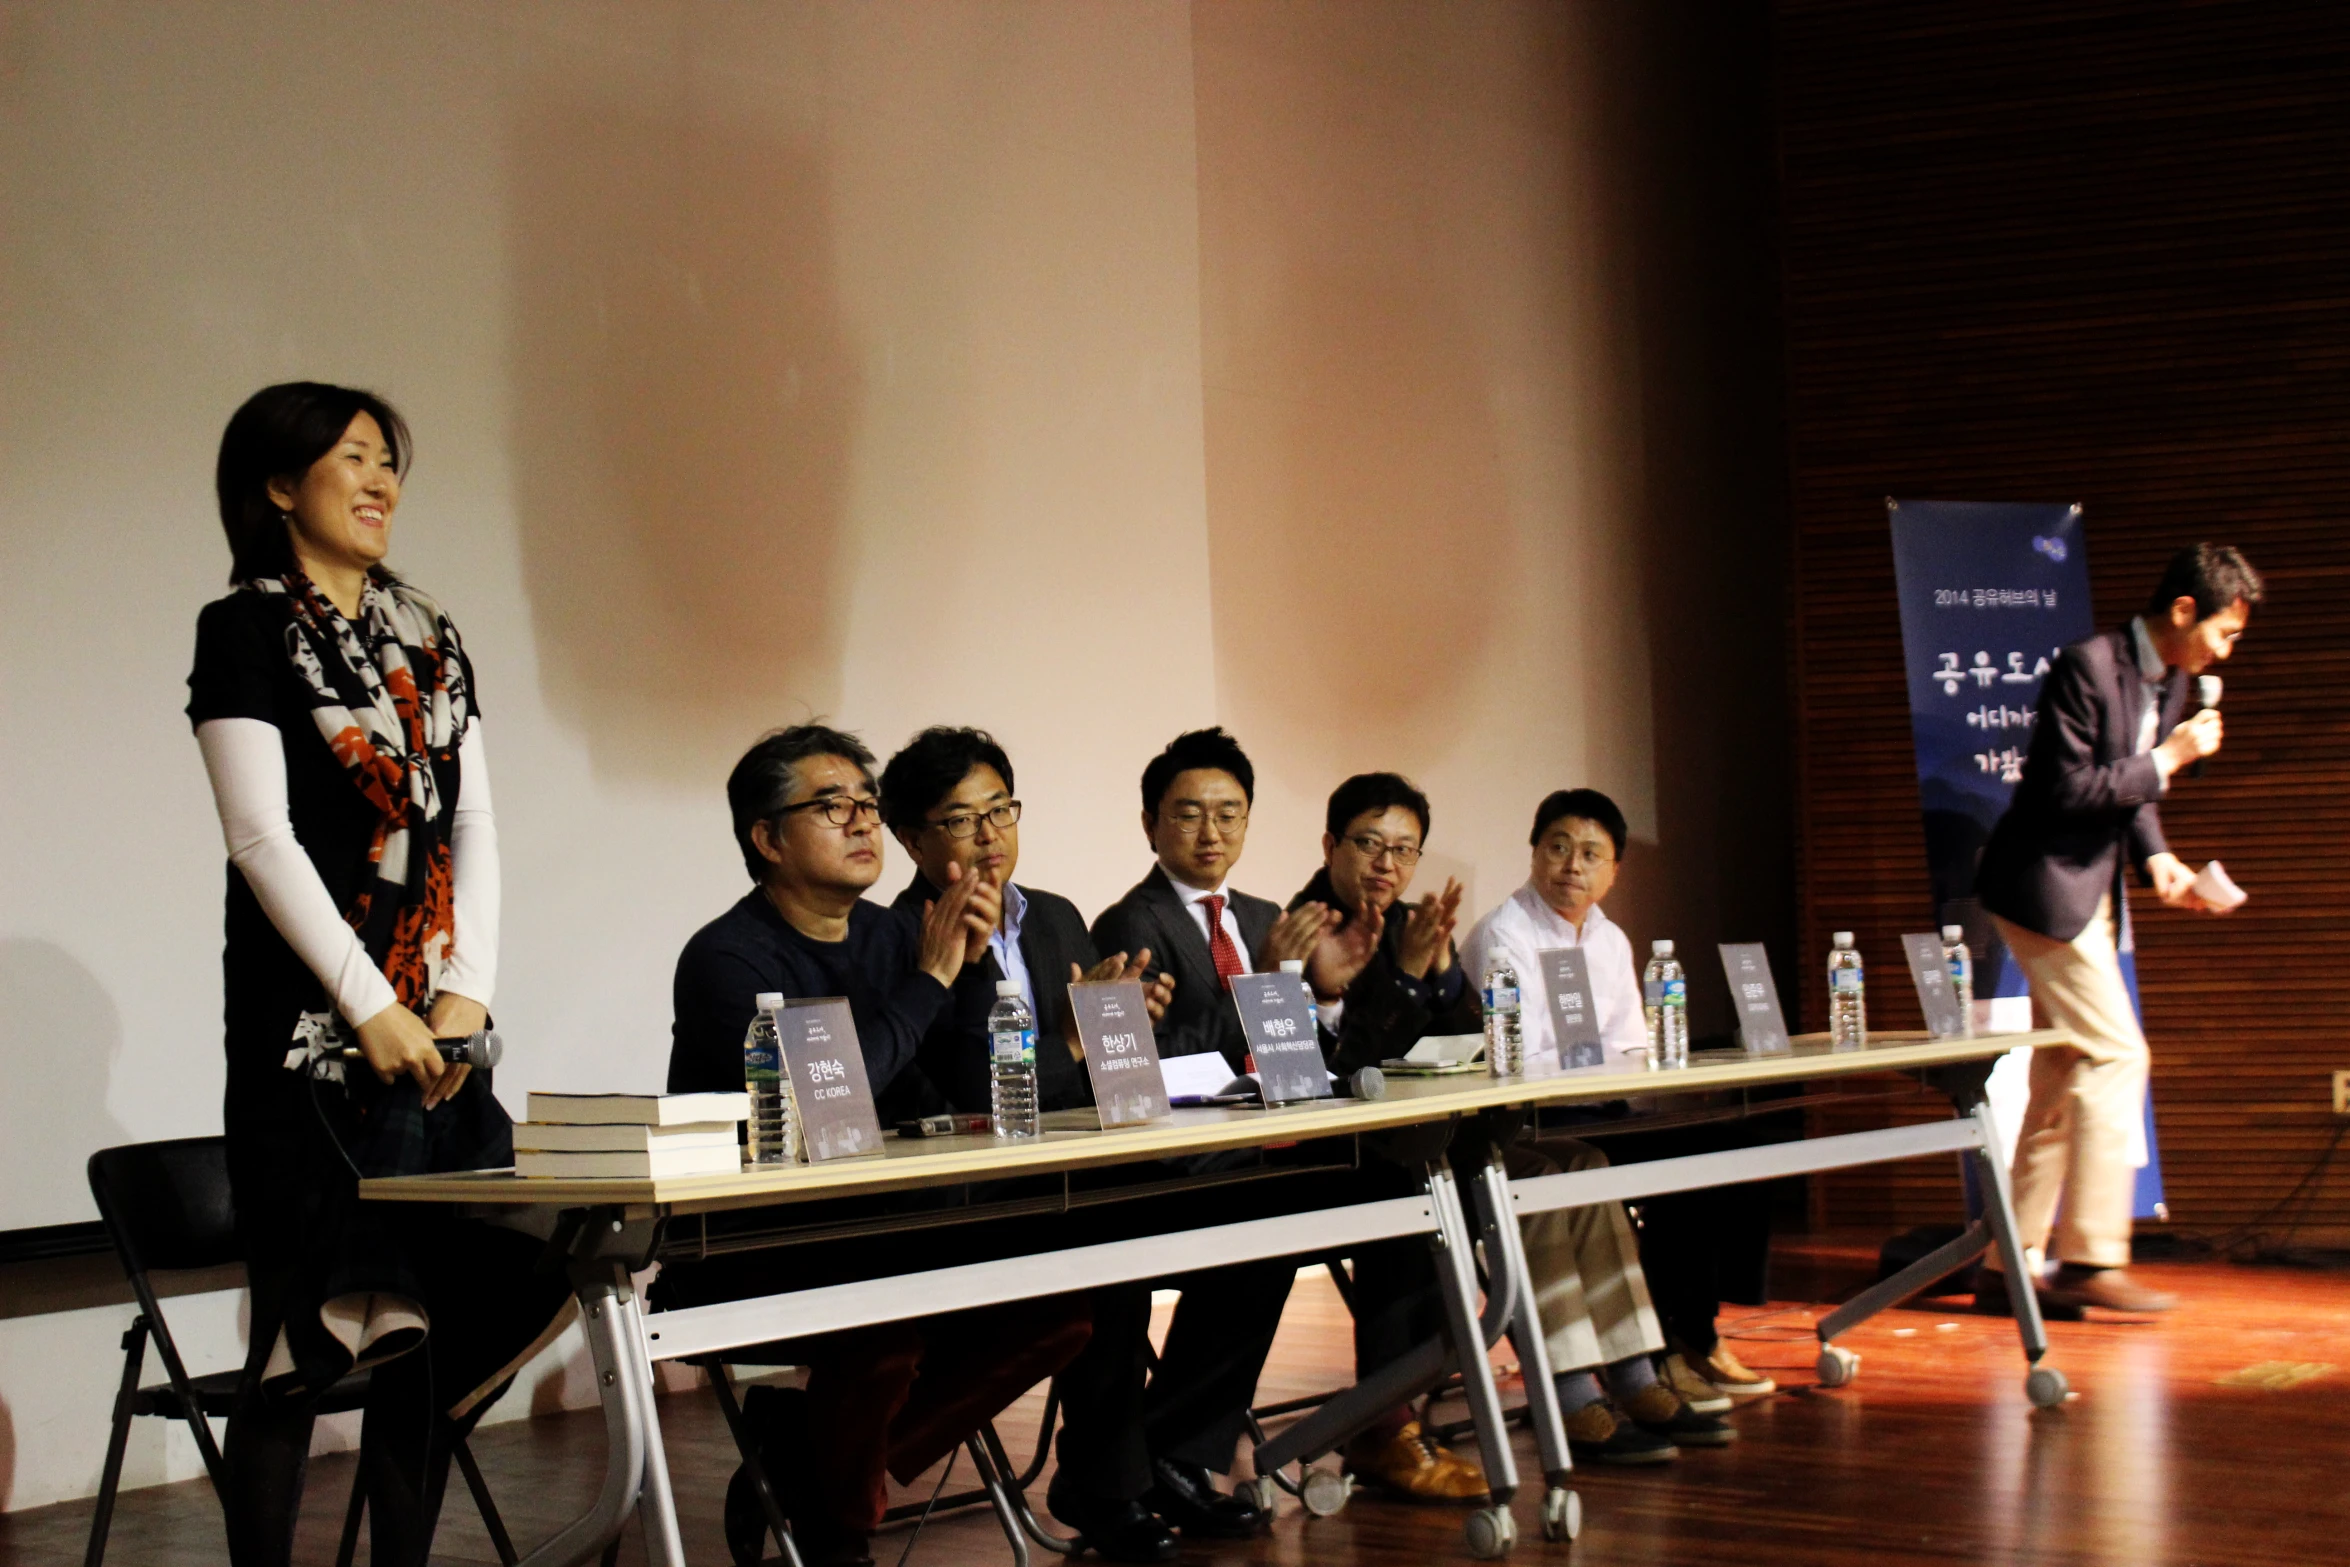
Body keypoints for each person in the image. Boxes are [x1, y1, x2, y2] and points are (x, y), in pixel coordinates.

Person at [190, 383, 572, 1567]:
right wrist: (372, 1003)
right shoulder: (245, 626)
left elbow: (477, 824)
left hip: (435, 1034)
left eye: (387, 463)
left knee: (450, 1311)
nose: (379, 483)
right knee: (307, 1337)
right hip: (308, 1037)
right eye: (350, 459)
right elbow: (261, 839)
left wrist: (464, 990)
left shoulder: (430, 632)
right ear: (276, 485)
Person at [666, 726, 1091, 1567]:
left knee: (1061, 1307)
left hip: (888, 1224)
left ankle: (798, 1458)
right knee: (883, 1336)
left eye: (867, 802)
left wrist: (967, 968)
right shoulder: (727, 954)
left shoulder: (896, 936)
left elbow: (978, 1097)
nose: (862, 821)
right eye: (833, 806)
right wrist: (933, 976)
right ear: (767, 837)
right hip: (755, 1240)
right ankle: (839, 1536)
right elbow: (829, 1104)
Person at [1306, 775, 1725, 1471]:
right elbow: (1358, 1064)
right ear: (1331, 845)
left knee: (1586, 1165)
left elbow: (1472, 1034)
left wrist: (1431, 976)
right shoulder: (1312, 923)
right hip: (1391, 1154)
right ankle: (1564, 1383)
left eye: (1404, 849)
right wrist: (1411, 981)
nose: (1386, 862)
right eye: (1370, 844)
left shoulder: (1415, 923)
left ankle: (1632, 1369)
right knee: (1531, 1176)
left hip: (1462, 1133)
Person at [1972, 544, 2259, 1317]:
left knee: (2065, 1072)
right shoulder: (2087, 665)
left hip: (2088, 890)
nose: (2226, 651)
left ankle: (2006, 1265)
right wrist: (2170, 754)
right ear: (2183, 610)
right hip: (2039, 887)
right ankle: (2091, 1257)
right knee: (2117, 1052)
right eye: (2225, 633)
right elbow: (2064, 790)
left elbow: (2131, 790)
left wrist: (2160, 858)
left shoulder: (2166, 679)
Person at [1462, 789, 1778, 1411]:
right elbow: (1520, 1061)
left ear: (1613, 870)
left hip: (1604, 1107)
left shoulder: (1609, 938)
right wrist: (1604, 1069)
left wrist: (1618, 1073)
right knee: (1680, 1164)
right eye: (1557, 848)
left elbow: (1633, 1045)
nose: (1571, 866)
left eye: (1589, 853)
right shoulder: (1504, 936)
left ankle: (1693, 1334)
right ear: (1533, 852)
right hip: (1536, 1121)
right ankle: (1667, 1347)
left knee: (1735, 1137)